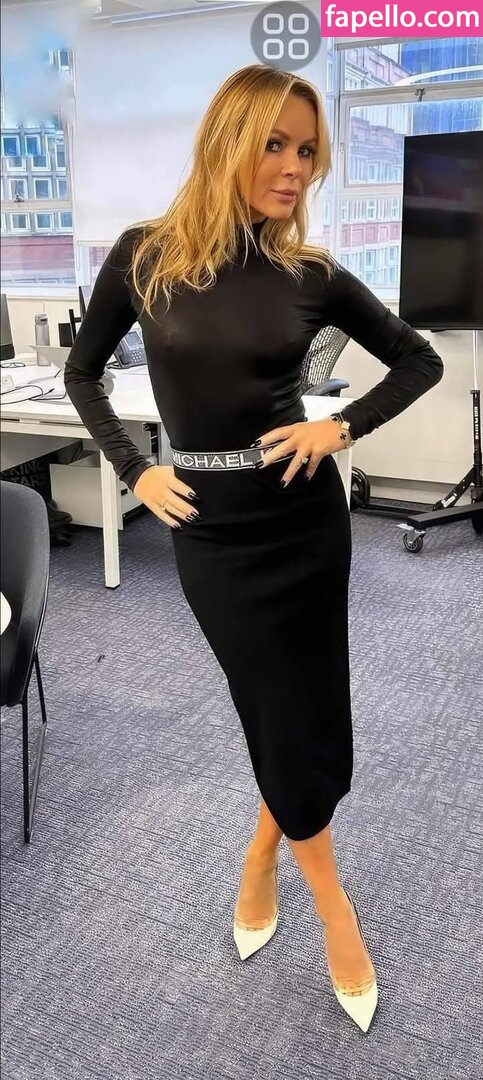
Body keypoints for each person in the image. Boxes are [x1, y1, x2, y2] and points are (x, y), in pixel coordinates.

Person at [64, 63, 444, 1033]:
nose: (294, 167)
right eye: (274, 144)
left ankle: (265, 853)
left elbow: (419, 359)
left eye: (306, 150)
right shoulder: (145, 256)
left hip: (303, 523)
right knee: (272, 707)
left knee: (308, 709)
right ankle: (330, 899)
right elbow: (82, 373)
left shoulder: (309, 273)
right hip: (212, 535)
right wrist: (134, 469)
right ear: (225, 141)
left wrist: (340, 427)